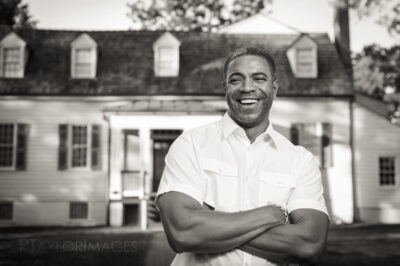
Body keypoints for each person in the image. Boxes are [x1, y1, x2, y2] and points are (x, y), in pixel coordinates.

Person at [155, 47, 330, 266]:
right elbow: (182, 233)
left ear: (274, 88)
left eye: (259, 78)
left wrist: (213, 224)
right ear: (225, 88)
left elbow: (309, 245)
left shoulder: (300, 161)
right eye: (236, 80)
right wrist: (271, 215)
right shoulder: (190, 144)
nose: (247, 88)